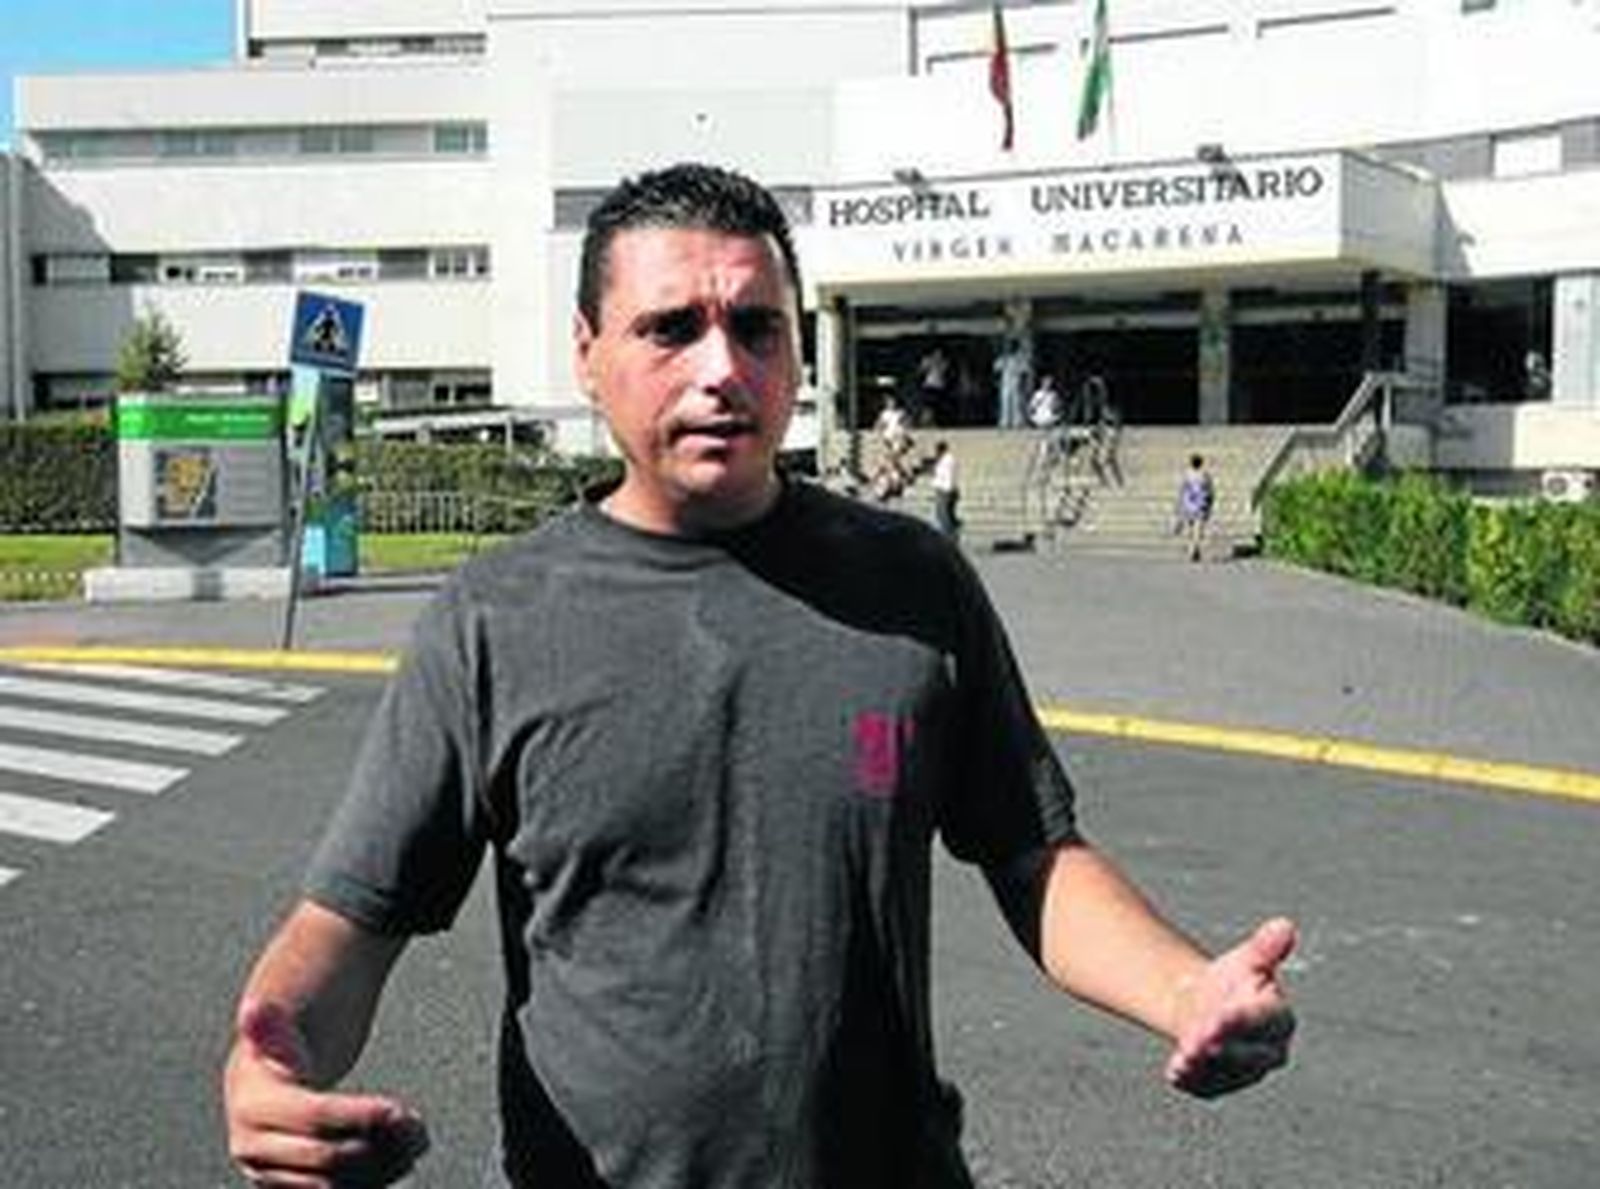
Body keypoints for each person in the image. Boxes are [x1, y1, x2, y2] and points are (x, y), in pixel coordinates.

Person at [222, 163, 1296, 1189]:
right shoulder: (492, 621)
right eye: (670, 327)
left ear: (794, 354)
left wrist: (1183, 986)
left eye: (754, 326)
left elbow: (1034, 859)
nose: (721, 367)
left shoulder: (914, 582)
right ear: (588, 352)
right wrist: (272, 1062)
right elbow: (351, 924)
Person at [870, 393, 915, 500]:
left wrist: (905, 433)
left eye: (892, 401)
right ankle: (902, 477)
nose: (891, 404)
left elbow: (907, 423)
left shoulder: (901, 413)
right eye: (889, 402)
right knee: (890, 460)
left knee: (893, 458)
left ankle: (903, 477)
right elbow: (879, 424)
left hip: (898, 439)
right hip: (888, 439)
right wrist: (878, 430)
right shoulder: (885, 413)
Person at [1175, 452, 1216, 562]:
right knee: (1198, 529)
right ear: (1201, 463)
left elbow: (1182, 490)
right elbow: (1210, 490)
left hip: (1189, 504)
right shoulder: (1205, 475)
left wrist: (1180, 506)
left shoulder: (1187, 475)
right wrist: (1210, 503)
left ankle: (1192, 549)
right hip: (1201, 504)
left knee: (1191, 529)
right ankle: (1195, 548)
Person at [930, 438, 960, 539]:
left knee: (943, 514)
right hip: (947, 489)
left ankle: (949, 534)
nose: (936, 453)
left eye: (937, 450)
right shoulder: (945, 460)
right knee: (945, 514)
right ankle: (952, 531)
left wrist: (946, 490)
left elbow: (946, 476)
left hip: (946, 490)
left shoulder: (948, 460)